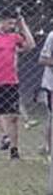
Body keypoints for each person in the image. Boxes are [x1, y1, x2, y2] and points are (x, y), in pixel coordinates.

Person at [0, 9, 35, 160]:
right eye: (10, 23)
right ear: (2, 21)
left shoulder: (13, 37)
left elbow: (30, 45)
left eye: (14, 23)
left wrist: (23, 24)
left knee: (13, 117)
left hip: (11, 81)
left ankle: (14, 149)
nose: (12, 26)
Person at [38, 27, 53, 156]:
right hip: (51, 84)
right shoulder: (52, 36)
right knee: (51, 116)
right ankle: (47, 146)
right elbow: (42, 59)